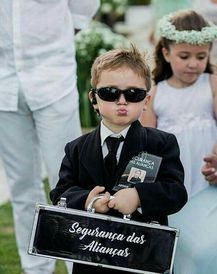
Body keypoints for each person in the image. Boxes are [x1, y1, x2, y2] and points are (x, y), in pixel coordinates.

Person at [50, 45, 188, 274]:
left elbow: (176, 192)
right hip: (91, 257)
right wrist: (87, 200)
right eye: (110, 93)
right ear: (94, 98)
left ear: (146, 100)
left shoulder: (161, 144)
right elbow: (60, 194)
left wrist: (139, 196)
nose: (122, 101)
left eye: (133, 94)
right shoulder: (76, 148)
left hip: (144, 258)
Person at [0, 1, 100, 274]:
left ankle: (76, 267)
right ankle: (35, 268)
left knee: (68, 185)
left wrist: (61, 34)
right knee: (21, 187)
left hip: (53, 79)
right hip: (4, 84)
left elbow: (85, 6)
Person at [140, 9, 217, 274]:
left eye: (201, 56)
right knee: (179, 231)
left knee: (210, 233)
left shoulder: (212, 83)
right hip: (175, 174)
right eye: (184, 56)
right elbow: (148, 143)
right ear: (166, 53)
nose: (193, 63)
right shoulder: (156, 93)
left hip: (208, 172)